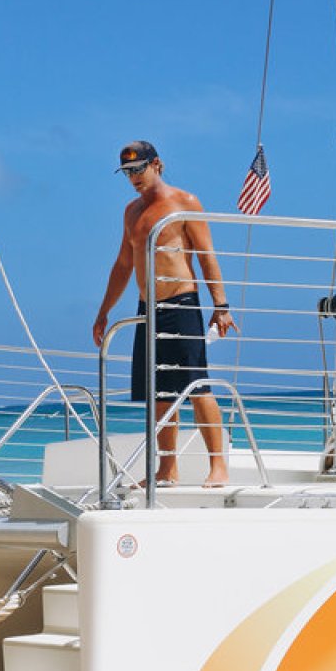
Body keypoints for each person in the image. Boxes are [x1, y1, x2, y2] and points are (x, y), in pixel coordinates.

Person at [93, 140, 237, 487]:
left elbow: (206, 255)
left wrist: (221, 306)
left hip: (182, 304)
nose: (133, 177)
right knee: (158, 393)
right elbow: (123, 264)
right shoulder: (131, 212)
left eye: (138, 169)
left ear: (156, 164)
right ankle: (167, 469)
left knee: (197, 387)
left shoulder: (185, 202)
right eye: (127, 172)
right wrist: (104, 311)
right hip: (148, 310)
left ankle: (218, 466)